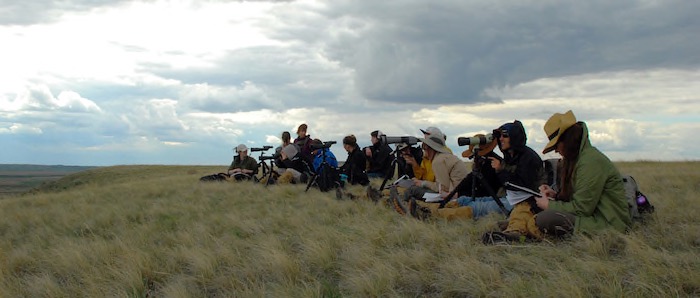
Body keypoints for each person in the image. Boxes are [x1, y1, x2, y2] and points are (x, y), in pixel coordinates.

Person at [535, 110, 632, 236]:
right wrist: (555, 196)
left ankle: (524, 229)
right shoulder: (579, 159)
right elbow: (582, 198)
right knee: (540, 212)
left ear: (566, 140)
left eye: (556, 146)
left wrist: (549, 205)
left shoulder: (591, 162)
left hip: (608, 224)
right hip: (593, 218)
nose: (557, 151)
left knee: (545, 218)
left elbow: (582, 209)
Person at [391, 129, 469, 217]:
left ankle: (404, 209)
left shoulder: (438, 161)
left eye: (424, 147)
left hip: (455, 195)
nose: (423, 150)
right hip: (458, 193)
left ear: (430, 148)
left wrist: (423, 183)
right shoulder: (443, 156)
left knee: (413, 190)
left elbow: (443, 189)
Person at [489, 120, 547, 239]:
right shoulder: (511, 156)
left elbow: (521, 184)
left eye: (505, 136)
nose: (501, 139)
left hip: (532, 202)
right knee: (518, 212)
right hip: (517, 201)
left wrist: (500, 170)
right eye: (500, 136)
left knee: (522, 213)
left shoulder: (528, 158)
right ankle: (512, 224)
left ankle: (513, 234)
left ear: (514, 137)